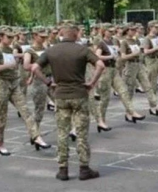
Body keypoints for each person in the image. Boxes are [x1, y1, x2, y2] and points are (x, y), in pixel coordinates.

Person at [30, 21, 105, 181]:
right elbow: (100, 64)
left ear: (61, 34)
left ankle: (63, 169)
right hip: (79, 94)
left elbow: (34, 68)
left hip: (61, 95)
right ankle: (84, 168)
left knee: (62, 133)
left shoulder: (51, 51)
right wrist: (92, 83)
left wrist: (49, 82)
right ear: (76, 34)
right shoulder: (82, 50)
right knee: (81, 133)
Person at [0, 26, 50, 156]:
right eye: (9, 37)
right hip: (2, 85)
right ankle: (0, 144)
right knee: (1, 118)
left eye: (12, 37)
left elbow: (19, 58)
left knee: (26, 112)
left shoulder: (11, 49)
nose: (12, 39)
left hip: (14, 84)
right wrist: (8, 65)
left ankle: (36, 137)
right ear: (1, 36)